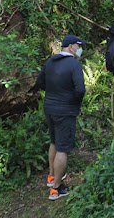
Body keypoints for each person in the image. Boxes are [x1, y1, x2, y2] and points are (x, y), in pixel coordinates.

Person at [35, 34, 86, 200]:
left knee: (54, 143)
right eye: (79, 46)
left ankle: (51, 177)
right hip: (65, 111)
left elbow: (40, 83)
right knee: (63, 149)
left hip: (49, 107)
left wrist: (54, 94)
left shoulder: (50, 61)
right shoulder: (73, 64)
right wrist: (72, 102)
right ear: (71, 47)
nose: (80, 49)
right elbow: (80, 90)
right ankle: (56, 189)